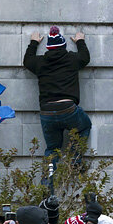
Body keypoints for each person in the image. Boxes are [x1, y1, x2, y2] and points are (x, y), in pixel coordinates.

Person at [24, 26, 92, 185]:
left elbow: (27, 61)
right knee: (85, 126)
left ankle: (47, 190)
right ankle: (75, 159)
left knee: (52, 150)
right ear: (63, 46)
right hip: (68, 109)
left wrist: (33, 43)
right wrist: (80, 41)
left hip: (47, 113)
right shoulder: (72, 59)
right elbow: (85, 57)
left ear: (48, 47)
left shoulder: (40, 63)